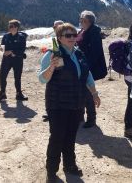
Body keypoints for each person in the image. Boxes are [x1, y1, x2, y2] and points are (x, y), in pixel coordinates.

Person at [38, 23, 101, 182]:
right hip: (57, 104)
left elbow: (87, 75)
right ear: (59, 38)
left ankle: (69, 165)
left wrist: (94, 93)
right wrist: (51, 67)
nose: (72, 38)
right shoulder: (53, 54)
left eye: (74, 35)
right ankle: (51, 171)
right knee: (57, 136)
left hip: (76, 102)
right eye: (68, 36)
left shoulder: (79, 53)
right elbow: (42, 79)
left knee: (71, 135)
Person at [76, 10, 107, 128]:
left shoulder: (94, 32)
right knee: (82, 91)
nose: (81, 22)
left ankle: (91, 118)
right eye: (80, 20)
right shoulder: (83, 31)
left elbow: (95, 52)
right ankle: (80, 115)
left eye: (84, 20)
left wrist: (85, 66)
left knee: (88, 92)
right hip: (81, 65)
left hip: (88, 67)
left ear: (90, 22)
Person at [0, 19, 28, 102]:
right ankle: (2, 93)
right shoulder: (6, 36)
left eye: (11, 26)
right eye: (9, 26)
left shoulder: (22, 37)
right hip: (6, 59)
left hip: (17, 60)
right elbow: (2, 46)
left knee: (17, 77)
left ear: (16, 27)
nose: (10, 28)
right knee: (2, 76)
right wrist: (2, 49)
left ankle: (19, 94)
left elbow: (22, 49)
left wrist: (11, 51)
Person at [42, 20, 64, 122]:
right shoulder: (54, 39)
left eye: (59, 26)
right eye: (55, 27)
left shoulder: (67, 36)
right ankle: (50, 113)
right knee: (50, 92)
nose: (57, 29)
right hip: (53, 67)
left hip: (62, 69)